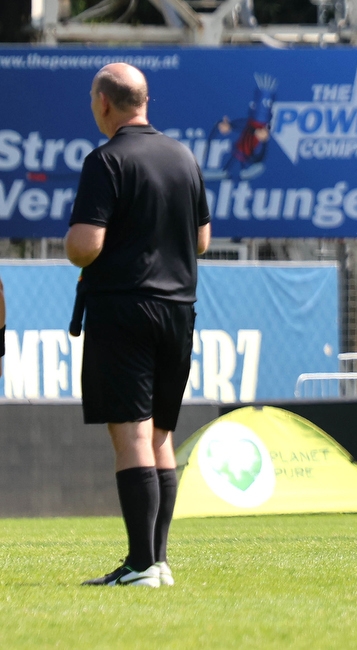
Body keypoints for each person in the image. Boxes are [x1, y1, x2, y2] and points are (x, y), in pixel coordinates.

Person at [65, 63, 211, 587]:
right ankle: (158, 561)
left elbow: (85, 246)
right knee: (160, 439)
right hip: (179, 310)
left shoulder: (105, 161)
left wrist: (76, 245)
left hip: (125, 310)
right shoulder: (184, 157)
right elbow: (201, 241)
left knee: (130, 436)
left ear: (105, 103)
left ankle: (140, 564)